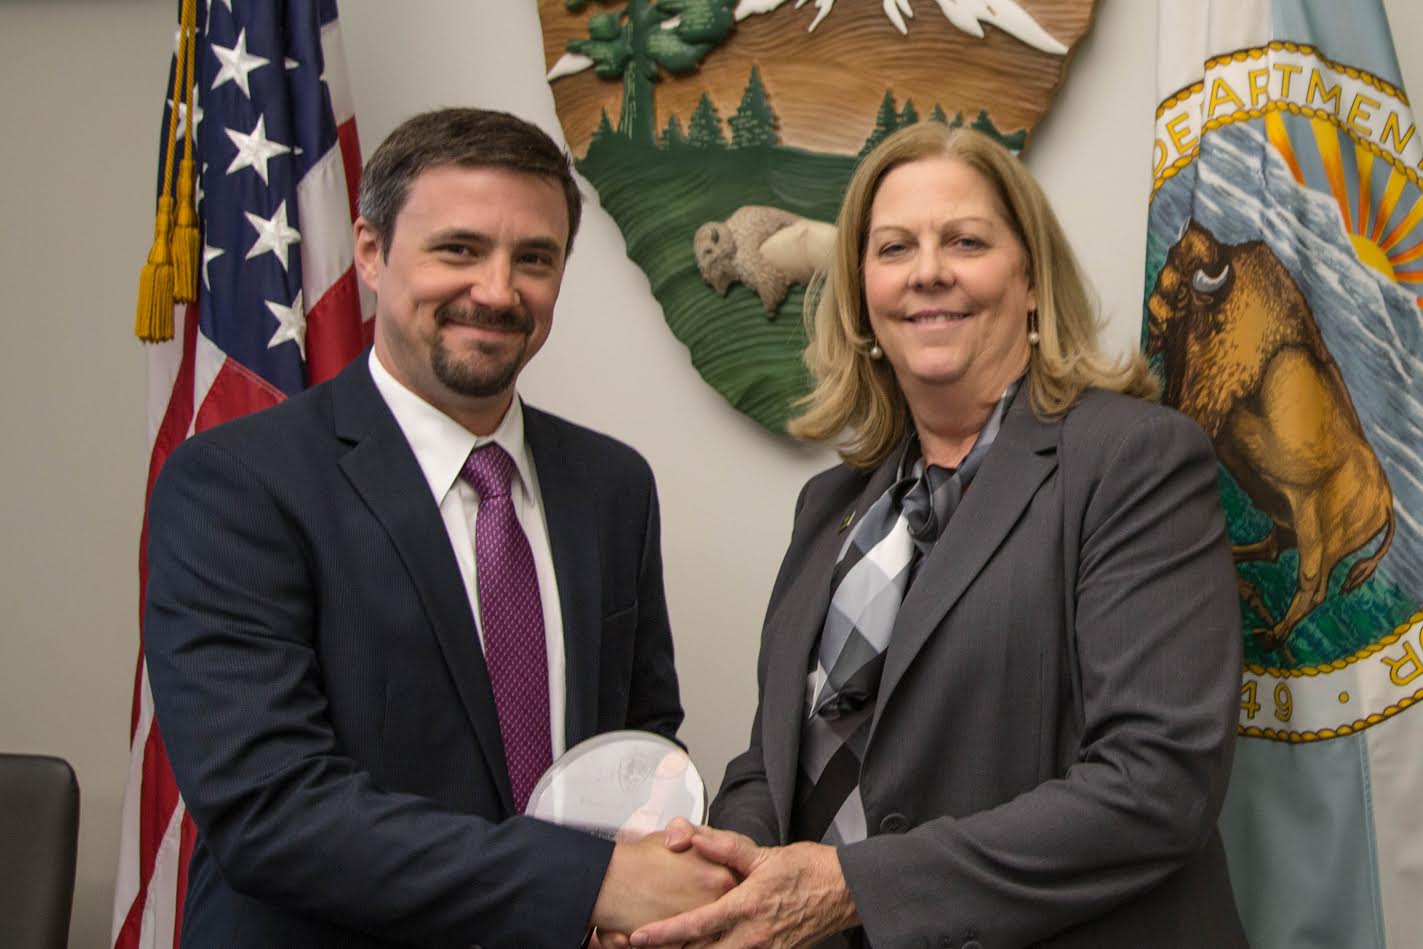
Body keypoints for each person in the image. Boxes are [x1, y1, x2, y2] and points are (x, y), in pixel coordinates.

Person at [631, 123, 1246, 949]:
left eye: (965, 240)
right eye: (893, 248)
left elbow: (1157, 782)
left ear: (1030, 279)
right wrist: (723, 878)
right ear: (860, 296)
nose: (928, 271)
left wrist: (851, 888)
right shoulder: (829, 505)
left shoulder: (1132, 460)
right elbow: (774, 756)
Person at [143, 108, 732, 948]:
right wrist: (590, 884)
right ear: (372, 253)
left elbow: (638, 745)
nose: (497, 291)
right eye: (458, 249)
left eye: (534, 258)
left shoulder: (611, 485)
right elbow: (269, 808)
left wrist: (659, 867)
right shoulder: (237, 483)